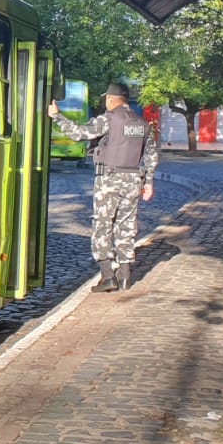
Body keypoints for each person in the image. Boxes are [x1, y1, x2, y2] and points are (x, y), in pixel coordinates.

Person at [48, 81, 157, 292]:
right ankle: (125, 275)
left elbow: (79, 133)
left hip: (109, 179)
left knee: (102, 226)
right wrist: (149, 183)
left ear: (110, 99)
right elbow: (151, 155)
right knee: (126, 226)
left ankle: (108, 276)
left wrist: (56, 116)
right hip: (134, 180)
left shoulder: (108, 119)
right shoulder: (142, 124)